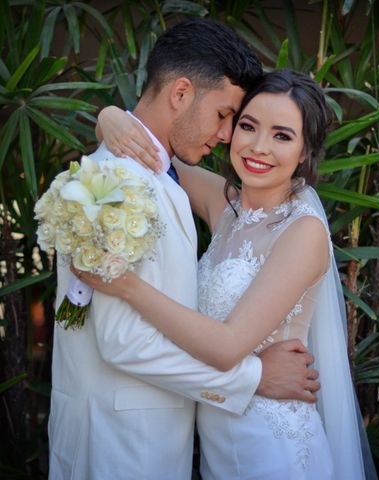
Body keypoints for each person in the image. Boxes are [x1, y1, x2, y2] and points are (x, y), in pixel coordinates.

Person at [49, 20, 321, 480]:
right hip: (123, 444)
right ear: (180, 93)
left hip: (210, 440)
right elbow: (123, 342)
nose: (230, 136)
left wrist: (111, 117)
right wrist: (255, 378)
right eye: (229, 117)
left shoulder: (157, 173)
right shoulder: (121, 181)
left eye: (281, 135)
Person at [83, 69, 375, 478]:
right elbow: (149, 150)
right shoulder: (227, 207)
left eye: (282, 136)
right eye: (248, 126)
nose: (258, 147)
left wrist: (127, 286)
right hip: (221, 442)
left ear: (305, 153)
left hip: (272, 446)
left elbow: (226, 347)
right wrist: (109, 117)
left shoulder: (303, 231)